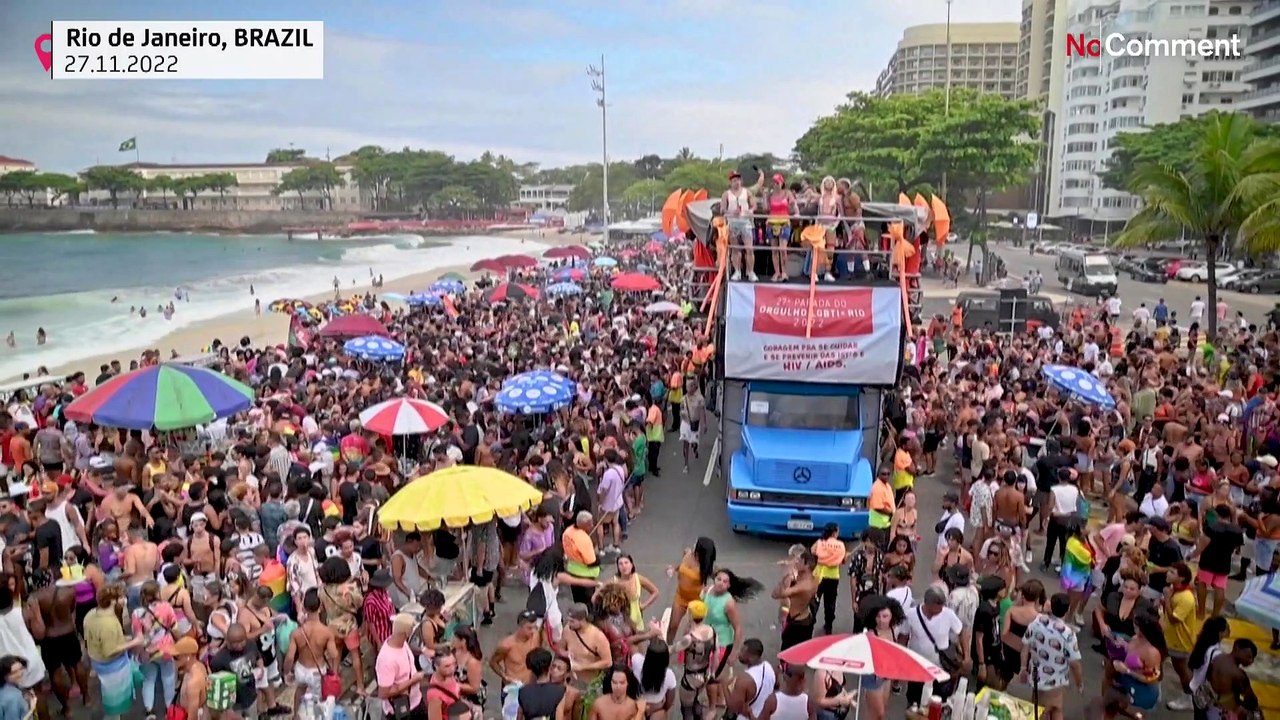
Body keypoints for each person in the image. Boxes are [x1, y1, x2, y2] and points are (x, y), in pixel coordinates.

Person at [1019, 592, 1083, 720]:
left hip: (1037, 677)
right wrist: (1079, 683)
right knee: (1054, 709)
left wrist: (1023, 668)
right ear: (1068, 609)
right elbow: (1075, 664)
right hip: (1056, 681)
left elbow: (1025, 646)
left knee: (1041, 709)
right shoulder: (1068, 634)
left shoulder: (1037, 622)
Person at [902, 586, 962, 708]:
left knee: (938, 702)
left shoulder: (948, 614)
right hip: (917, 667)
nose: (940, 610)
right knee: (915, 701)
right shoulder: (911, 614)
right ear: (927, 603)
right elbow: (904, 636)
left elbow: (960, 631)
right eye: (937, 607)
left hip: (940, 668)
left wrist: (962, 653)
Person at [378, 613, 427, 718]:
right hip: (400, 710)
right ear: (406, 633)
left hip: (416, 702)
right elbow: (383, 693)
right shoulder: (387, 659)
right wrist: (413, 680)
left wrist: (423, 651)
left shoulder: (402, 643)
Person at [772, 550, 818, 651]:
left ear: (807, 565)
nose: (796, 562)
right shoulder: (810, 578)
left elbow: (776, 594)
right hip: (801, 617)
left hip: (797, 623)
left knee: (790, 651)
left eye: (799, 561)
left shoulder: (804, 585)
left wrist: (785, 575)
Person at [726, 639, 775, 720]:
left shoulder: (744, 680)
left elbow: (733, 707)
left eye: (742, 651)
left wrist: (725, 686)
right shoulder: (769, 667)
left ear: (751, 656)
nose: (739, 654)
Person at [810, 524, 846, 636]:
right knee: (830, 603)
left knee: (814, 601)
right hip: (833, 577)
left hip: (818, 576)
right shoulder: (840, 545)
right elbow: (842, 560)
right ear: (834, 532)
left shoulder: (819, 543)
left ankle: (810, 623)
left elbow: (812, 552)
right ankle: (828, 626)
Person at [629, 639, 676, 720]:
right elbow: (670, 699)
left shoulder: (637, 662)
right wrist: (664, 709)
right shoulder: (669, 675)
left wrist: (648, 635)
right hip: (657, 709)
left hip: (638, 706)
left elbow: (631, 643)